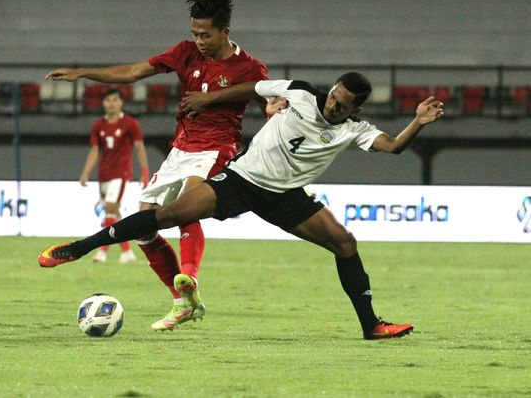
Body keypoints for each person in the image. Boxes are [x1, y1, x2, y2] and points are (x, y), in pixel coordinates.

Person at [39, 72, 445, 339]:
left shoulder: (355, 129)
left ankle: (371, 326)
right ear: (332, 88)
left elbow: (392, 147)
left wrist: (417, 124)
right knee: (167, 214)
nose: (333, 106)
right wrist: (209, 99)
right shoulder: (300, 92)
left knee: (345, 243)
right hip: (242, 181)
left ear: (356, 109)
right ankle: (79, 248)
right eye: (334, 97)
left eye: (343, 105)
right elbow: (253, 88)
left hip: (288, 198)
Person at [46, 0, 269, 330]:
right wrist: (83, 74)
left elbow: (269, 105)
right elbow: (134, 72)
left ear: (225, 31)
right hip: (180, 148)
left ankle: (189, 277)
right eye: (194, 33)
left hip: (216, 147)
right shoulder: (185, 52)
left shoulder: (250, 68)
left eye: (206, 34)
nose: (199, 40)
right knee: (144, 225)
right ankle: (182, 301)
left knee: (187, 203)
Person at [80, 88, 150, 264]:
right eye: (108, 100)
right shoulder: (99, 126)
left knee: (110, 208)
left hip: (121, 172)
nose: (111, 103)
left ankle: (102, 252)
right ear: (103, 103)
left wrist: (144, 172)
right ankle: (127, 253)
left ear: (121, 102)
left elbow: (139, 147)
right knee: (113, 214)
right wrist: (86, 172)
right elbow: (96, 150)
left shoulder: (130, 123)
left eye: (115, 100)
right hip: (104, 173)